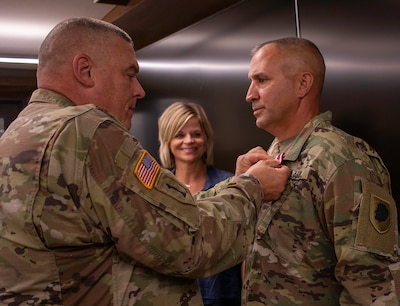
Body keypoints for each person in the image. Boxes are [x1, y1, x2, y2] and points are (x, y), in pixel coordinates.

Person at [0, 17, 291, 305]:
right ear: (85, 71)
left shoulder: (17, 134)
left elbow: (161, 216)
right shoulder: (86, 130)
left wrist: (236, 183)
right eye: (129, 74)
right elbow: (188, 243)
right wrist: (253, 188)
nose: (139, 89)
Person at [243, 36, 400, 305]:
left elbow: (371, 285)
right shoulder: (270, 155)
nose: (250, 94)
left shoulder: (343, 159)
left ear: (302, 84)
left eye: (262, 80)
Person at [158, 101, 242, 306]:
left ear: (206, 138)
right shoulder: (157, 189)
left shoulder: (229, 185)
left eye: (196, 134)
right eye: (179, 135)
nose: (189, 141)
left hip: (222, 297)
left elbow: (244, 248)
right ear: (167, 140)